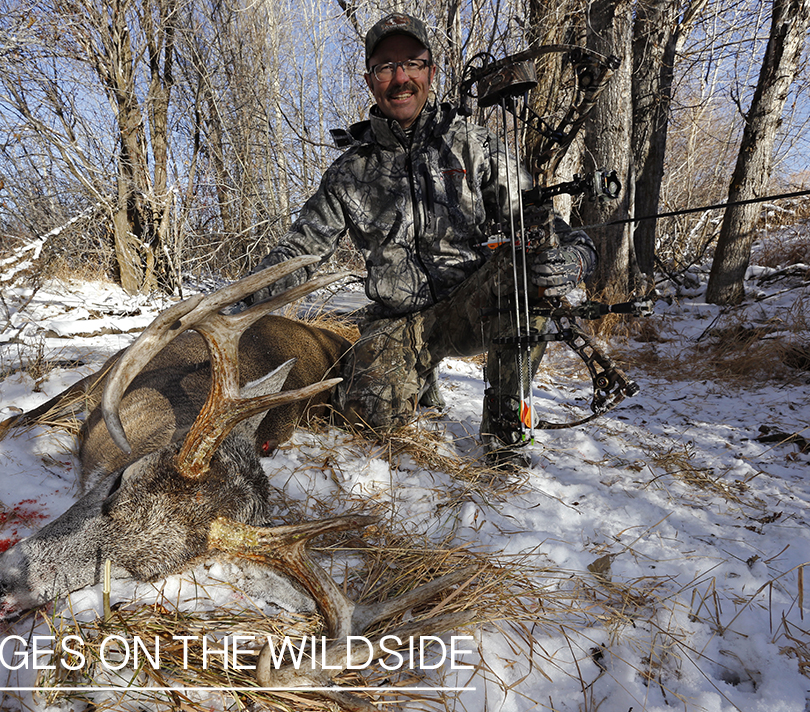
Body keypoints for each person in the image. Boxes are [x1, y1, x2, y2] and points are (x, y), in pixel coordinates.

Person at [248, 12, 596, 467]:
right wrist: (239, 300)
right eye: (387, 67)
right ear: (371, 79)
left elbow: (540, 219)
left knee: (525, 268)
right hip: (398, 320)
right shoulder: (349, 173)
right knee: (367, 415)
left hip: (473, 306)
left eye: (413, 63)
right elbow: (301, 252)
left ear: (431, 71)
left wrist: (575, 257)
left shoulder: (475, 145)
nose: (401, 78)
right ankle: (417, 378)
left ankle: (506, 428)